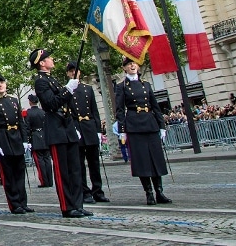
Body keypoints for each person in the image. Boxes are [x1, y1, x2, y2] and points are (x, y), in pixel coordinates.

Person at [29, 48, 92, 218]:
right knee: (62, 171)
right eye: (48, 58)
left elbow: (65, 104)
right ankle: (67, 206)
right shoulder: (40, 82)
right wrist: (68, 90)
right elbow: (50, 104)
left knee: (75, 169)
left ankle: (78, 204)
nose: (52, 59)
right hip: (56, 129)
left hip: (67, 127)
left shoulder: (52, 79)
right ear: (42, 63)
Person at [114, 57, 172, 206]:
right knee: (142, 161)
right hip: (134, 124)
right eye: (128, 64)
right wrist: (122, 130)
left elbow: (155, 106)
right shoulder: (121, 86)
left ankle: (159, 191)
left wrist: (162, 126)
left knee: (155, 159)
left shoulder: (146, 84)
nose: (132, 65)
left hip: (150, 123)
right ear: (124, 68)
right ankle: (149, 192)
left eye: (134, 63)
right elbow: (120, 110)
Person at [0, 73, 33, 214]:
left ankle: (23, 202)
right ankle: (15, 203)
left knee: (20, 172)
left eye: (2, 82)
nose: (0, 85)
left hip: (16, 137)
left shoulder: (13, 100)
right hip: (3, 138)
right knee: (9, 174)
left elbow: (21, 122)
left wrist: (25, 140)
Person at [66, 61, 110, 204]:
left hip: (89, 127)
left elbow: (94, 111)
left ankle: (98, 190)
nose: (74, 73)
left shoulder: (88, 89)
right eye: (71, 71)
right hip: (77, 128)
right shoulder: (66, 90)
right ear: (68, 74)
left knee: (94, 163)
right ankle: (85, 192)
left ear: (80, 73)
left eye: (76, 71)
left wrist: (98, 130)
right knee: (79, 164)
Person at [24, 95, 54, 188]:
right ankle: (50, 180)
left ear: (30, 102)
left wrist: (27, 140)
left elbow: (27, 127)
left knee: (39, 161)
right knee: (47, 160)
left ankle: (44, 181)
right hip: (45, 137)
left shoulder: (28, 113)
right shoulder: (43, 112)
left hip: (35, 137)